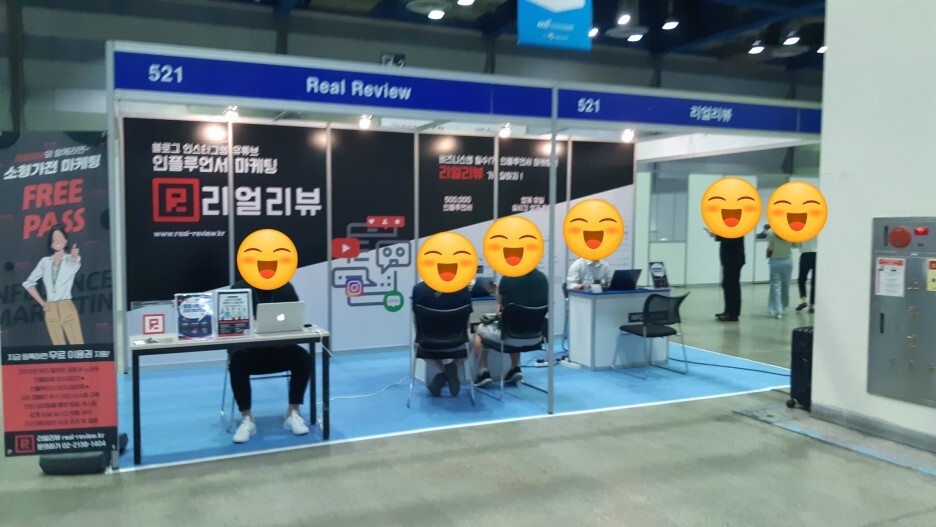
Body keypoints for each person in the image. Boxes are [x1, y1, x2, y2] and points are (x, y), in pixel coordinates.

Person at [229, 278, 310, 444]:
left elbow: (294, 319)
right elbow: (230, 325)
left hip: (279, 349)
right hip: (249, 352)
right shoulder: (238, 289)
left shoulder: (285, 288)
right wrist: (250, 326)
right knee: (237, 360)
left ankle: (293, 413)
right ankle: (247, 419)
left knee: (302, 357)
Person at [473, 268, 548, 387]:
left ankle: (484, 372)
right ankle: (515, 367)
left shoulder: (508, 278)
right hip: (537, 337)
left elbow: (500, 301)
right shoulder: (542, 278)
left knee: (479, 330)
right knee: (517, 324)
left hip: (510, 337)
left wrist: (499, 303)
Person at [23, 225, 85, 345]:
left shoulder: (69, 259)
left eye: (60, 238)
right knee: (57, 348)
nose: (58, 242)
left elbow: (74, 264)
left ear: (66, 241)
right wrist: (42, 303)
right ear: (51, 244)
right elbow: (29, 283)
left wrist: (74, 257)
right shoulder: (45, 262)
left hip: (66, 305)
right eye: (54, 239)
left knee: (77, 345)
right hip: (50, 308)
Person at [411, 280, 473, 397]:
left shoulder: (418, 289)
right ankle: (452, 368)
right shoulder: (463, 289)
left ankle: (443, 371)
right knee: (471, 342)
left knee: (416, 346)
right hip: (457, 344)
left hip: (427, 345)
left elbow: (416, 323)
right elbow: (467, 325)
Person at [707, 229, 745, 322]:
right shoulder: (732, 229)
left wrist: (717, 235)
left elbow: (732, 240)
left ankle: (732, 314)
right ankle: (728, 311)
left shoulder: (738, 229)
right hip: (729, 261)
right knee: (727, 285)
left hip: (734, 261)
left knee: (732, 287)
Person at [767, 230, 794, 319]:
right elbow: (795, 245)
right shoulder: (790, 231)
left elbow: (770, 248)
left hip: (775, 261)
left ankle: (777, 310)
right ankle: (783, 306)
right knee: (786, 285)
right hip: (788, 261)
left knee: (775, 286)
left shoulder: (770, 232)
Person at [795, 237, 817, 313]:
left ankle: (803, 299)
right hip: (816, 255)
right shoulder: (818, 231)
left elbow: (797, 245)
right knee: (814, 282)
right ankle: (812, 305)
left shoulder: (803, 232)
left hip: (805, 255)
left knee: (801, 279)